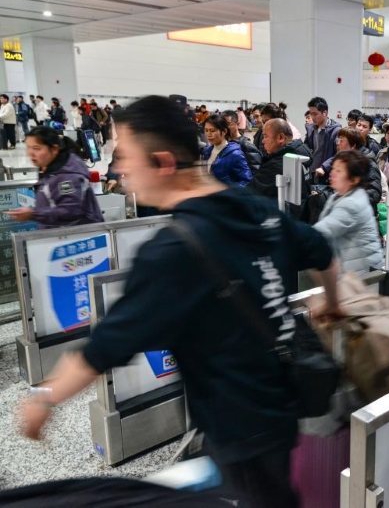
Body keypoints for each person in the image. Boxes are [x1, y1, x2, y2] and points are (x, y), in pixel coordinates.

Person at [18, 95, 342, 507]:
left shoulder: (172, 250)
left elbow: (105, 346)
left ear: (164, 162)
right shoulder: (254, 207)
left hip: (238, 424)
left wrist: (44, 399)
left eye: (127, 157)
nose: (119, 168)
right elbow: (322, 253)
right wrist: (333, 304)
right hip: (282, 398)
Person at [5, 126, 103, 228]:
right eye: (28, 147)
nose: (31, 153)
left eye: (36, 148)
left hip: (78, 239)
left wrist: (32, 213)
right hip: (57, 238)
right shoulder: (49, 168)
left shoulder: (67, 177)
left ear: (54, 149)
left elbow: (70, 211)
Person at [313, 150, 383, 274]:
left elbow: (323, 231)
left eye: (339, 171)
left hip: (362, 277)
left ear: (354, 179)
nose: (332, 173)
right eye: (333, 168)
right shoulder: (338, 196)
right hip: (349, 271)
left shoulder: (352, 204)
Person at [202, 114, 252, 187]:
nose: (208, 134)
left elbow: (246, 181)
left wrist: (228, 193)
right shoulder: (207, 151)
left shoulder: (235, 154)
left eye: (212, 131)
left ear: (224, 131)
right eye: (206, 130)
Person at [305, 97, 342, 175]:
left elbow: (339, 154)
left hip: (327, 173)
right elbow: (306, 148)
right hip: (311, 171)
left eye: (315, 114)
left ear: (325, 113)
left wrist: (325, 167)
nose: (312, 117)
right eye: (311, 114)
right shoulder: (311, 129)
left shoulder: (336, 131)